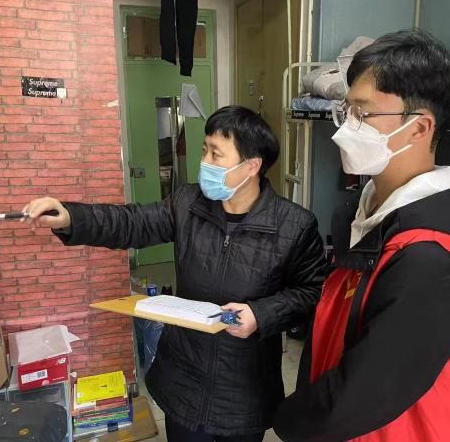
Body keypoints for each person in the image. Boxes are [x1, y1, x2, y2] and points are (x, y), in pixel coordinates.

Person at [24, 105, 325, 441]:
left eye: (216, 154)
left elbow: (312, 292)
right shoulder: (187, 203)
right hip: (184, 376)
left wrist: (261, 313)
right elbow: (131, 222)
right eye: (204, 150)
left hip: (244, 388)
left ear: (251, 166)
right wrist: (70, 217)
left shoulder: (294, 225)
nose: (204, 161)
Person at [273, 30, 450, 441]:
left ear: (419, 128)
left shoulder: (432, 261)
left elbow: (360, 398)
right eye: (346, 111)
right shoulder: (371, 215)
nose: (345, 129)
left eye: (362, 114)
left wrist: (285, 420)